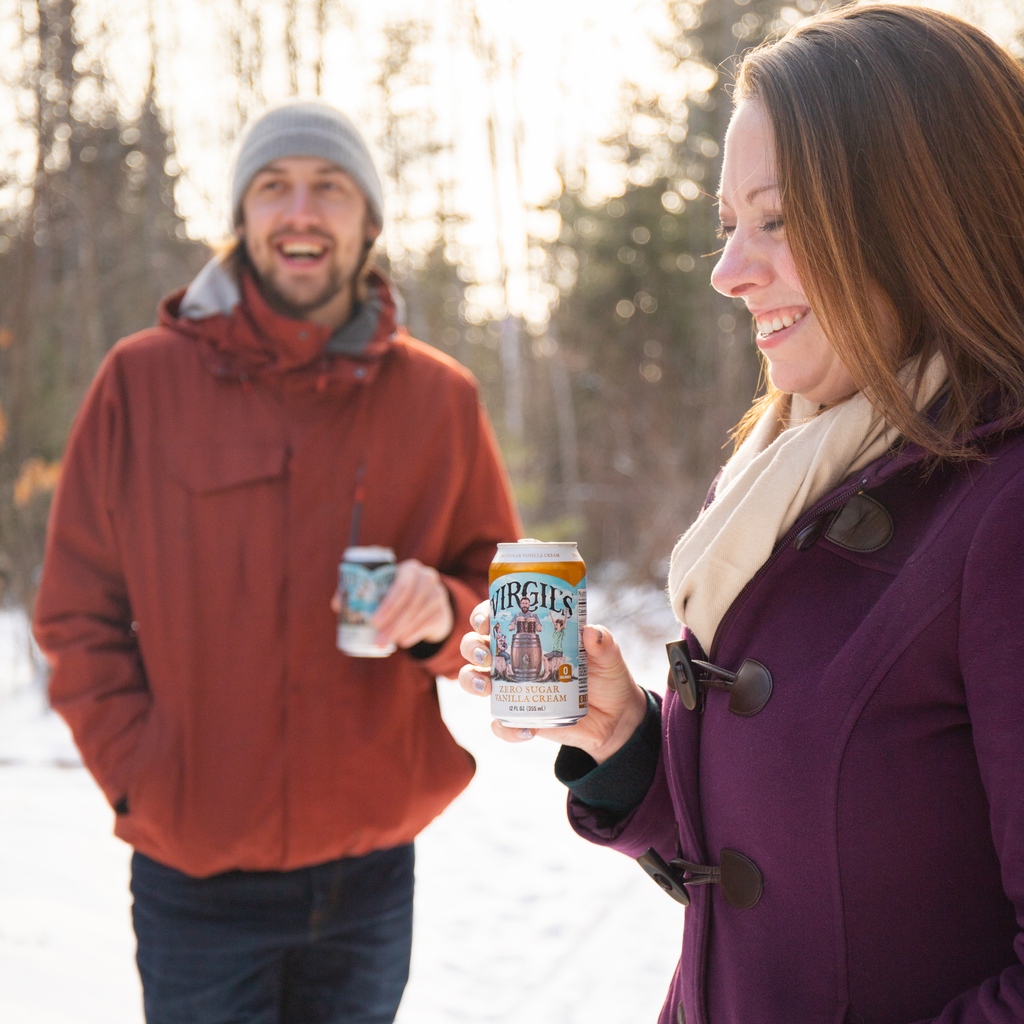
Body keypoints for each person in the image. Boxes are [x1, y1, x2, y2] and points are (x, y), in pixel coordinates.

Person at [459, 5, 1024, 1023]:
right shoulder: (787, 486)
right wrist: (628, 738)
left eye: (778, 217)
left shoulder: (1002, 512)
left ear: (920, 214)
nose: (728, 271)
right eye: (728, 224)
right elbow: (790, 876)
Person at [33, 98, 520, 1024]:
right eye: (273, 186)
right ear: (242, 217)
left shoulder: (439, 399)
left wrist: (446, 615)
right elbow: (75, 610)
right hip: (196, 875)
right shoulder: (141, 384)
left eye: (329, 187)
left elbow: (512, 608)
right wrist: (145, 772)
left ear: (368, 221)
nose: (301, 209)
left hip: (372, 877)